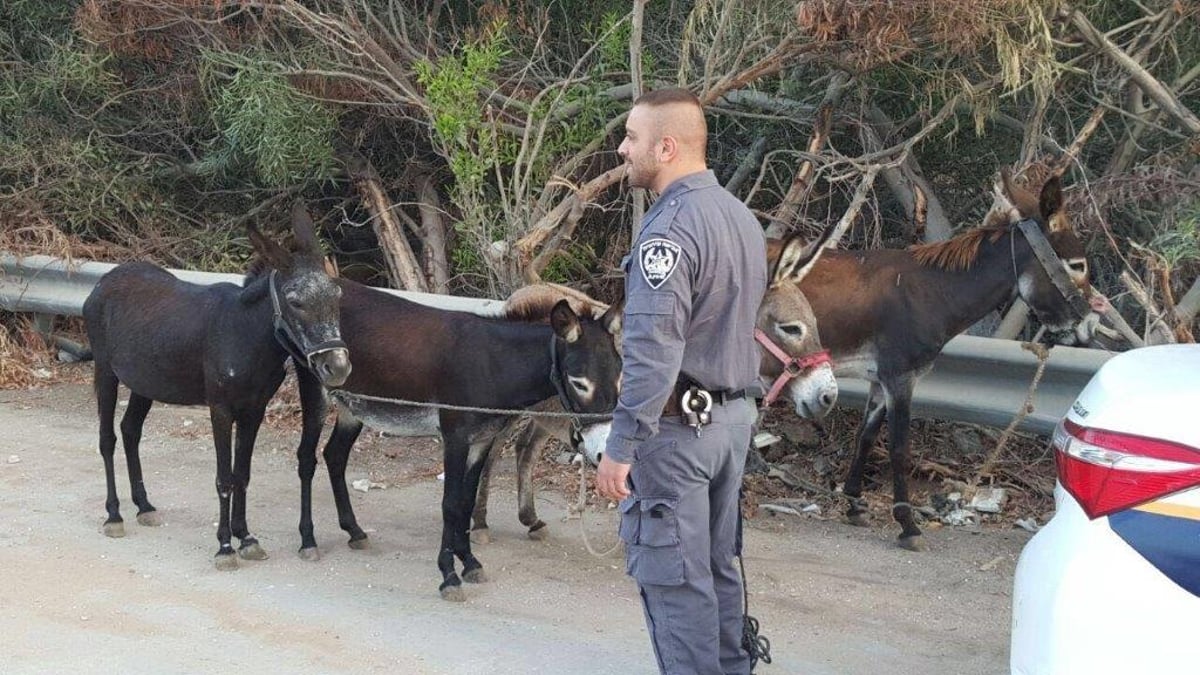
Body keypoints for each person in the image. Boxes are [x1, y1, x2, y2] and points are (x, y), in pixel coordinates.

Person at [595, 87, 767, 675]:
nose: (622, 149)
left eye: (633, 138)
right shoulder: (738, 216)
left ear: (665, 147)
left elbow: (651, 353)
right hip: (732, 423)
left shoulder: (668, 231)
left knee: (676, 581)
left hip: (678, 434)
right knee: (717, 569)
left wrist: (621, 448)